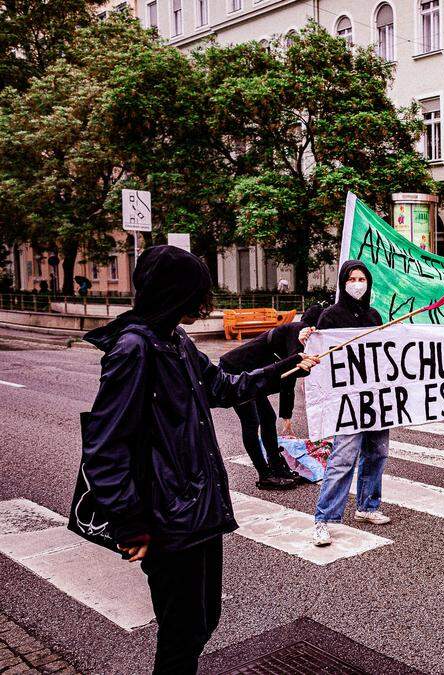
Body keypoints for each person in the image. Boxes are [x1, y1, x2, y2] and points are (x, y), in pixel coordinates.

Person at [80, 245, 318, 674]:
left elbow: (221, 386)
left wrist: (289, 368)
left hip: (198, 506)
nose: (205, 305)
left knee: (202, 622)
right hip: (166, 514)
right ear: (173, 294)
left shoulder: (174, 339)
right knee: (182, 633)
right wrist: (129, 522)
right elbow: (105, 445)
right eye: (197, 295)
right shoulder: (134, 349)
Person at [313, 261, 391, 547]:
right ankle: (323, 517)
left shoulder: (374, 315)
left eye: (362, 279)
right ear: (343, 283)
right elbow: (321, 358)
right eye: (352, 278)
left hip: (375, 398)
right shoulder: (330, 317)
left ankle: (367, 506)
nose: (357, 283)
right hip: (346, 400)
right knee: (343, 457)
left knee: (377, 452)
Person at [219, 304, 323, 490]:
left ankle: (276, 465)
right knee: (251, 421)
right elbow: (290, 376)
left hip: (253, 374)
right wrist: (288, 418)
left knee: (268, 417)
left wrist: (285, 416)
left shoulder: (301, 334)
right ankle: (264, 474)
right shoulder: (298, 331)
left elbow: (288, 373)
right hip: (235, 370)